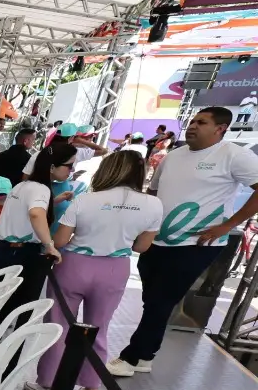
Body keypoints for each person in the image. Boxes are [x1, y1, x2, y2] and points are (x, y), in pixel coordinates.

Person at [110, 107, 258, 376]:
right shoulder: (173, 156)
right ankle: (146, 355)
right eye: (192, 121)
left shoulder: (235, 156)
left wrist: (227, 225)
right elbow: (153, 191)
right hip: (157, 240)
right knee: (152, 298)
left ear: (220, 129)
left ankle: (130, 358)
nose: (193, 126)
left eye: (201, 122)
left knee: (161, 300)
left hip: (197, 244)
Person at [25, 152, 162, 390]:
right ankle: (91, 387)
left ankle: (46, 381)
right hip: (114, 269)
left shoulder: (86, 200)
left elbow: (62, 241)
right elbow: (141, 247)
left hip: (73, 266)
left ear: (107, 169)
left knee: (58, 325)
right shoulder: (154, 205)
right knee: (99, 327)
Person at [0, 143, 76, 346]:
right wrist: (50, 245)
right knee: (18, 315)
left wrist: (55, 201)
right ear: (52, 166)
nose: (72, 170)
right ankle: (4, 366)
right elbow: (35, 213)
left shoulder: (22, 185)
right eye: (69, 166)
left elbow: (27, 211)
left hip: (4, 252)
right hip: (22, 256)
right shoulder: (41, 189)